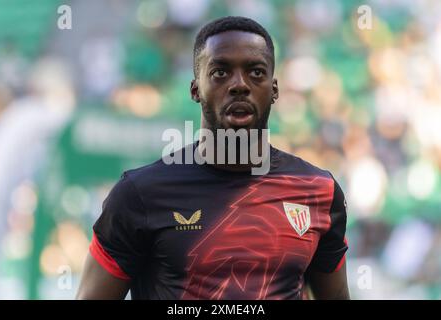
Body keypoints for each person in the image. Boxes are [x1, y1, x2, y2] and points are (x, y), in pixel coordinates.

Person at [76, 16, 349, 300]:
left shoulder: (319, 191)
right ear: (195, 89)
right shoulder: (138, 195)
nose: (239, 85)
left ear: (275, 89)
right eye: (220, 72)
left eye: (256, 72)